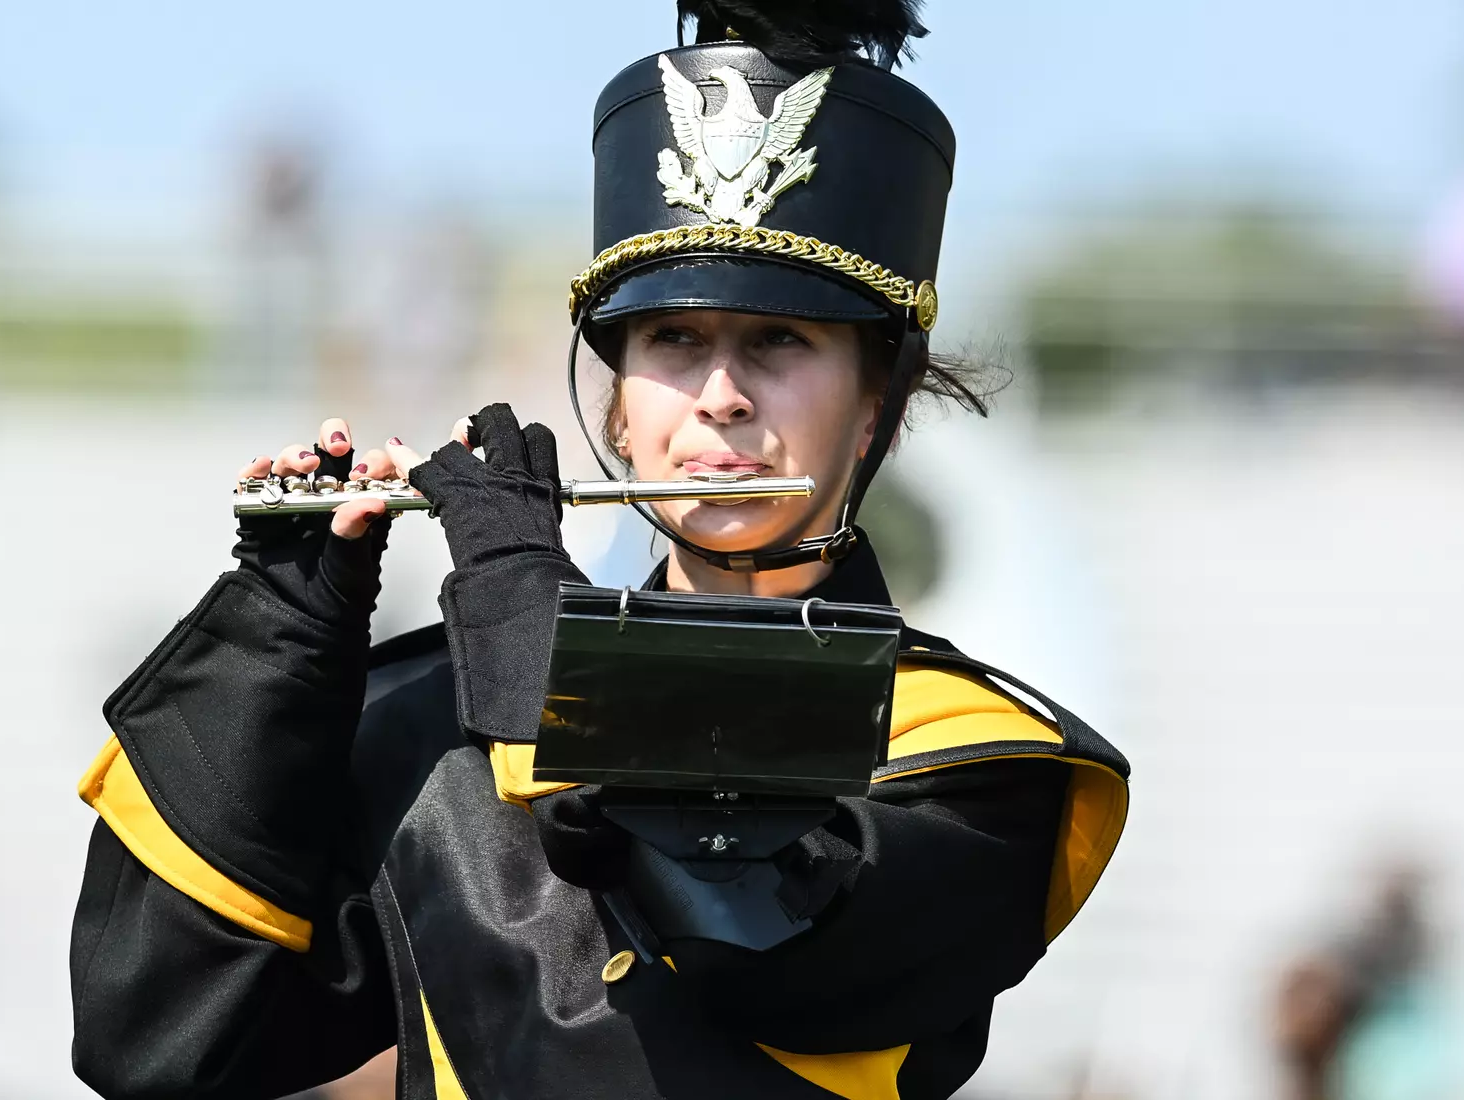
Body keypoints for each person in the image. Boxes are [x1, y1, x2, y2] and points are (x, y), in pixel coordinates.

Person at [69, 3, 1130, 1097]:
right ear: (618, 404)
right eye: (674, 340)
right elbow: (158, 1036)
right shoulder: (454, 719)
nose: (719, 396)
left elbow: (747, 932)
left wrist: (528, 606)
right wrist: (280, 640)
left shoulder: (971, 759)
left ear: (878, 409)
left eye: (779, 340)